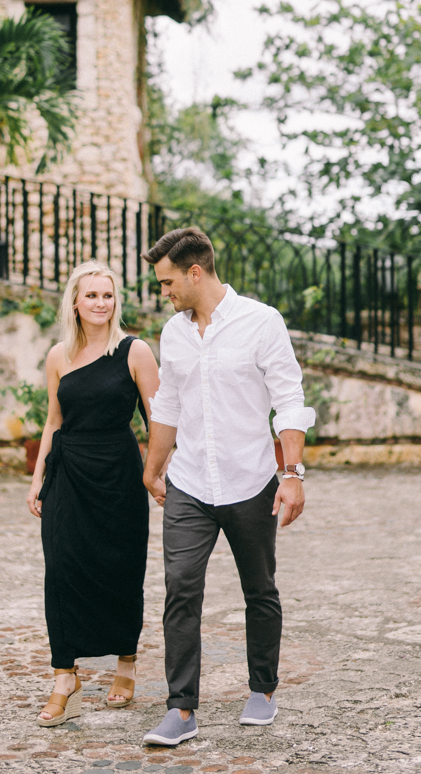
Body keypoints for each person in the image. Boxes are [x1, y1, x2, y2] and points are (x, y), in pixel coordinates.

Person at [140, 227, 315, 748]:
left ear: (196, 272)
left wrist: (292, 475)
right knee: (180, 591)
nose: (164, 293)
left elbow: (289, 398)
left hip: (251, 480)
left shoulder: (261, 322)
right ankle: (181, 708)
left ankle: (262, 690)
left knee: (259, 589)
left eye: (169, 282)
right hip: (190, 482)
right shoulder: (173, 333)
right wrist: (153, 469)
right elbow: (167, 405)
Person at [26, 260, 160, 726]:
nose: (100, 303)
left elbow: (158, 418)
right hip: (68, 473)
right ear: (76, 302)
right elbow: (53, 421)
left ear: (114, 301)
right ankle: (65, 676)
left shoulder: (135, 350)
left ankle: (126, 663)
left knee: (121, 567)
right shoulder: (58, 355)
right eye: (91, 295)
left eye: (107, 295)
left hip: (119, 474)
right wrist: (37, 476)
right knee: (61, 570)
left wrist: (156, 472)